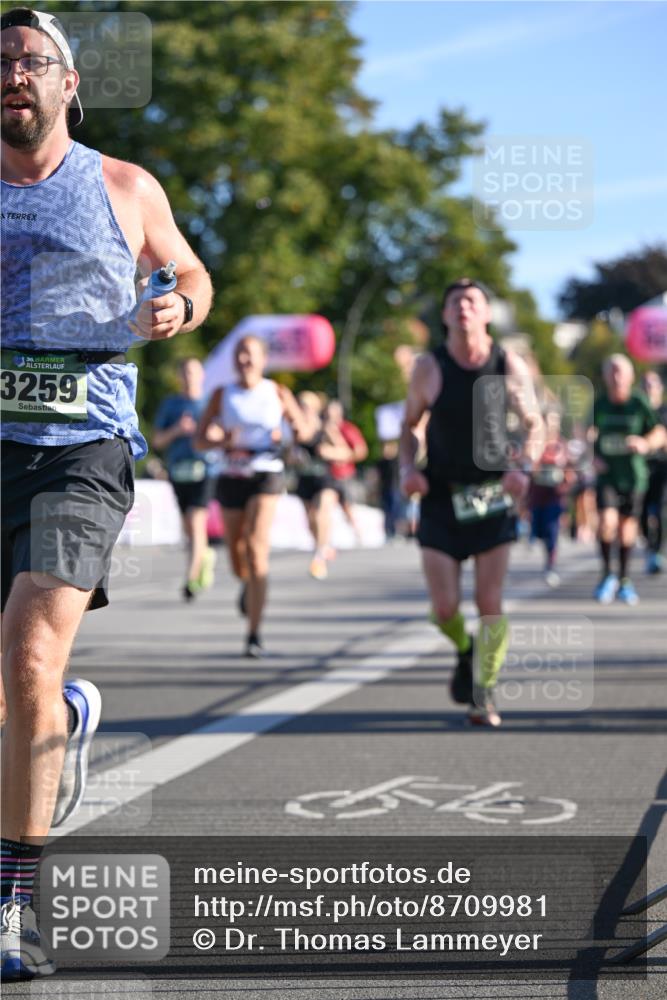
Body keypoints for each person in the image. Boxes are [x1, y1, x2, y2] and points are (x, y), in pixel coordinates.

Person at [0, 8, 212, 980]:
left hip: (82, 450)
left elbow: (193, 271)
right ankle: (66, 716)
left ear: (70, 82)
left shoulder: (123, 186)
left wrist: (177, 300)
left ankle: (12, 908)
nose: (14, 75)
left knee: (30, 654)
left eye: (32, 60)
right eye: (0, 63)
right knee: (18, 688)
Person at [399, 278, 543, 728]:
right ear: (444, 316)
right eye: (454, 301)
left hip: (493, 495)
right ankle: (465, 650)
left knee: (489, 600)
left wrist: (525, 469)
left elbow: (534, 424)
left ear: (485, 314)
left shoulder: (506, 363)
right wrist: (408, 469)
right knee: (444, 609)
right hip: (441, 497)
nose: (462, 307)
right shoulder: (429, 367)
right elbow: (408, 427)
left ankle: (484, 691)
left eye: (472, 301)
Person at [195, 335, 306, 657]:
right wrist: (221, 440)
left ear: (263, 360)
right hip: (231, 474)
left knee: (257, 549)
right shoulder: (221, 395)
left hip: (266, 471)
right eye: (240, 355)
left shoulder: (277, 392)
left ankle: (254, 634)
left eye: (251, 355)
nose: (245, 360)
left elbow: (303, 430)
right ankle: (247, 583)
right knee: (237, 554)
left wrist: (291, 433)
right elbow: (199, 441)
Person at [591, 355, 664, 605]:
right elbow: (584, 433)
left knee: (626, 529)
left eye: (621, 371)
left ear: (631, 376)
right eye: (611, 370)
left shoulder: (638, 403)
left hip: (633, 476)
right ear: (605, 376)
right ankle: (606, 575)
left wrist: (644, 443)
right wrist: (592, 455)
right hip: (607, 475)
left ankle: (624, 579)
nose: (616, 376)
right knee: (606, 522)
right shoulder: (599, 403)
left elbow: (659, 433)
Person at [153, 357, 219, 601]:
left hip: (206, 470)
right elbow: (157, 441)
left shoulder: (210, 403)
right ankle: (205, 557)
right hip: (179, 471)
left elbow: (225, 435)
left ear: (202, 375)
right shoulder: (171, 405)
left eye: (194, 372)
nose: (190, 377)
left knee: (196, 520)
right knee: (188, 528)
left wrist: (213, 434)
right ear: (180, 377)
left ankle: (191, 578)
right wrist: (177, 430)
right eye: (185, 372)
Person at [308, 399, 368, 579]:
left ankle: (356, 535)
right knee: (318, 512)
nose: (330, 417)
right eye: (327, 413)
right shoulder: (319, 430)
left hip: (343, 476)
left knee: (345, 507)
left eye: (333, 413)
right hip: (325, 477)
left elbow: (359, 451)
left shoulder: (347, 429)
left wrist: (338, 451)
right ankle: (323, 546)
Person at [527, 408, 573, 588]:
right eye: (547, 421)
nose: (551, 425)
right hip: (537, 496)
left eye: (554, 422)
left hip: (555, 496)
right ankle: (538, 541)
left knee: (551, 531)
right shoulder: (534, 444)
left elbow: (571, 468)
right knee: (539, 531)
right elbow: (527, 466)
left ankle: (550, 566)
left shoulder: (562, 446)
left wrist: (568, 478)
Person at [639, 370, 667, 574]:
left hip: (663, 467)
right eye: (646, 385)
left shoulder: (664, 412)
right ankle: (650, 547)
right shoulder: (636, 411)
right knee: (641, 511)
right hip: (640, 468)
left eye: (653, 384)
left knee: (661, 510)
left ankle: (657, 550)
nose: (650, 389)